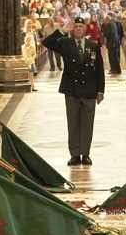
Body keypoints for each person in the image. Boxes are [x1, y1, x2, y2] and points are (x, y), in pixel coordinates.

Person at [42, 17, 105, 166]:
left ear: (85, 29)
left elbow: (99, 70)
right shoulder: (66, 43)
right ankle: (75, 155)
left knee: (87, 123)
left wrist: (100, 90)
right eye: (75, 27)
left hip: (89, 89)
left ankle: (85, 154)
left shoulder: (93, 45)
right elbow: (47, 42)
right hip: (72, 89)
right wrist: (62, 31)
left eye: (80, 27)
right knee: (73, 123)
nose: (77, 29)